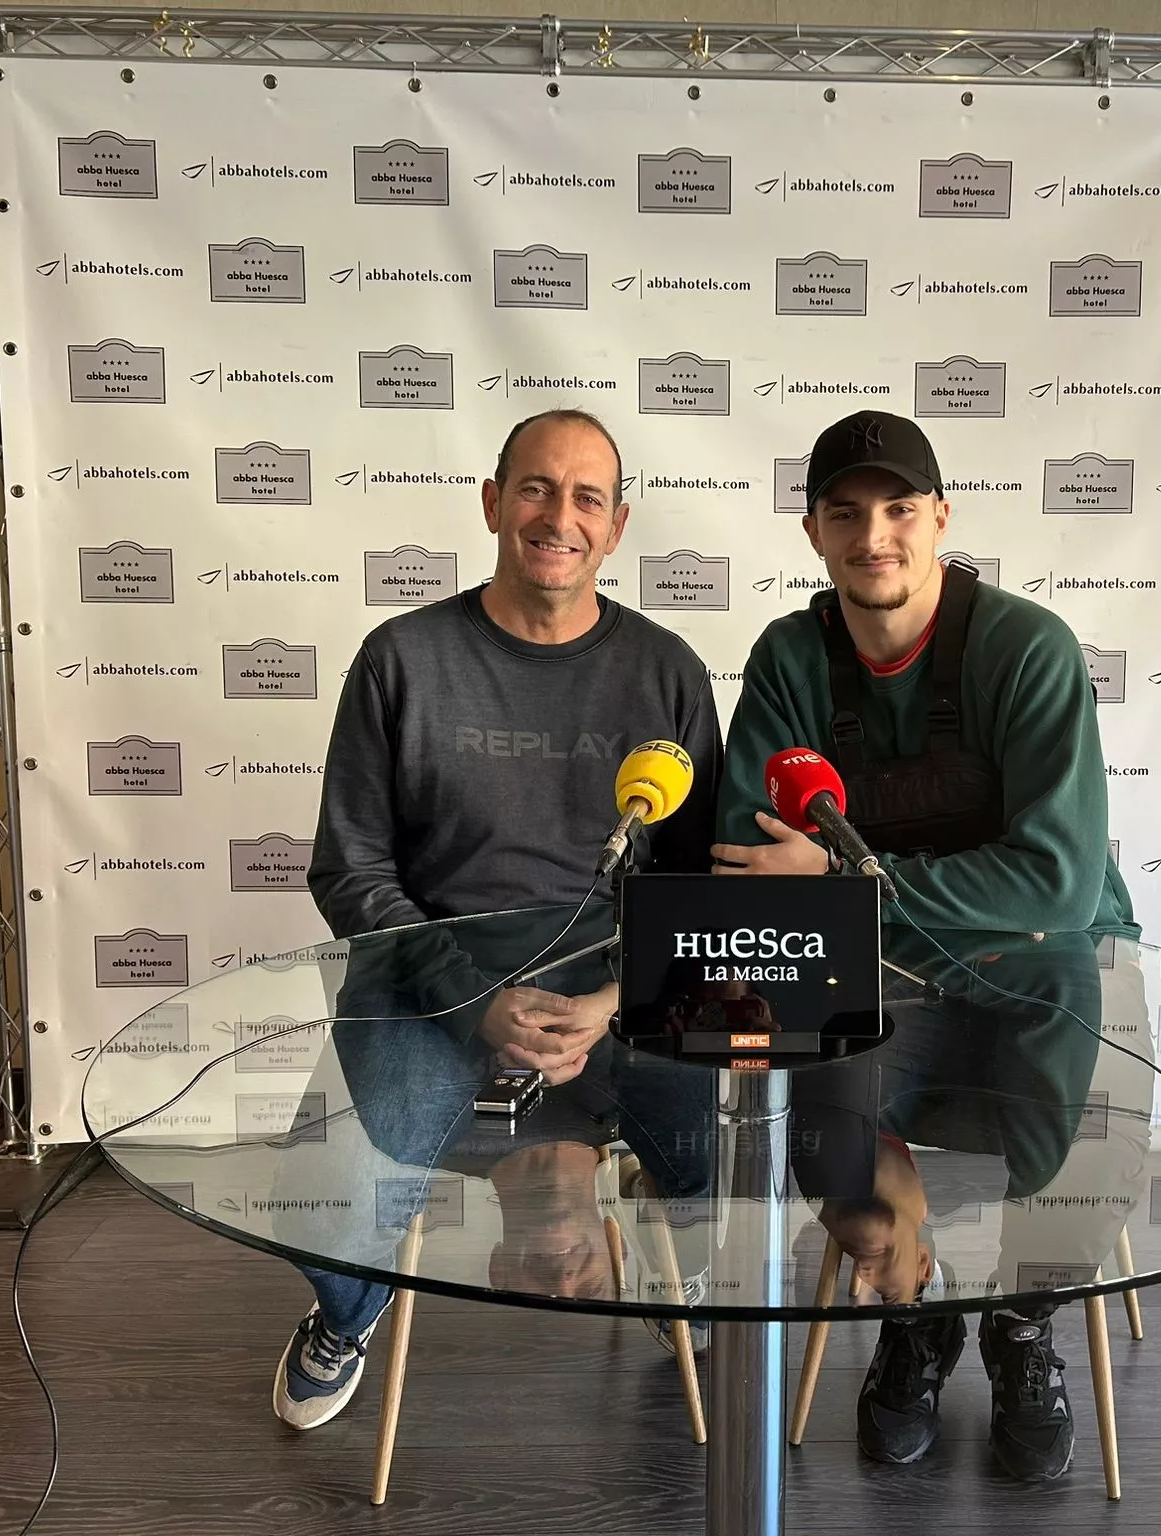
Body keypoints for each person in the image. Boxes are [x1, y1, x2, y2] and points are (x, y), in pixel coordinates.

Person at [275, 407, 722, 1431]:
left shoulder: (667, 673)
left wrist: (618, 999)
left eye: (585, 498)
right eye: (534, 488)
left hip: (614, 996)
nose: (556, 517)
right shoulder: (401, 658)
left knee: (730, 1147)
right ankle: (350, 1307)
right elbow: (350, 870)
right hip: (434, 990)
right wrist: (473, 998)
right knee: (315, 1192)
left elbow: (697, 885)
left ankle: (672, 1278)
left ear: (615, 528)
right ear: (491, 501)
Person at [712, 409, 1138, 1483]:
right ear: (812, 532)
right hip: (873, 968)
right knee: (821, 1143)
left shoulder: (1023, 649)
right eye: (845, 514)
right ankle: (913, 1308)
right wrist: (858, 904)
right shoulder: (788, 660)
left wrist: (846, 882)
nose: (874, 537)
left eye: (899, 509)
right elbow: (751, 871)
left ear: (939, 518)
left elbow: (1054, 882)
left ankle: (1021, 1322)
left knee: (1086, 1137)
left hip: (1047, 958)